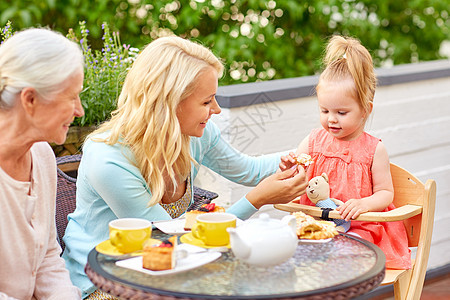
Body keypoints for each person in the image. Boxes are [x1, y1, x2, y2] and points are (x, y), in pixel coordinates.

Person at [62, 35, 308, 298]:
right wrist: (256, 200)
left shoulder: (194, 135)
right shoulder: (109, 158)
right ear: (170, 104)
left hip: (164, 271)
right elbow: (169, 241)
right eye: (206, 101)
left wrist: (312, 149)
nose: (216, 109)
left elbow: (250, 171)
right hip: (103, 282)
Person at [280, 35, 411, 270]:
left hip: (359, 227)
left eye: (341, 112)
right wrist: (289, 167)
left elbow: (385, 194)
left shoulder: (374, 149)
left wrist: (364, 204)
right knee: (284, 250)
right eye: (324, 110)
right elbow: (297, 177)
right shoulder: (312, 141)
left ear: (365, 110)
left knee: (344, 256)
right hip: (315, 223)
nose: (331, 119)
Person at [0, 28, 83, 299]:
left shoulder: (42, 155)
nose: (80, 110)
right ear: (31, 99)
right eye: (72, 97)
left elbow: (47, 257)